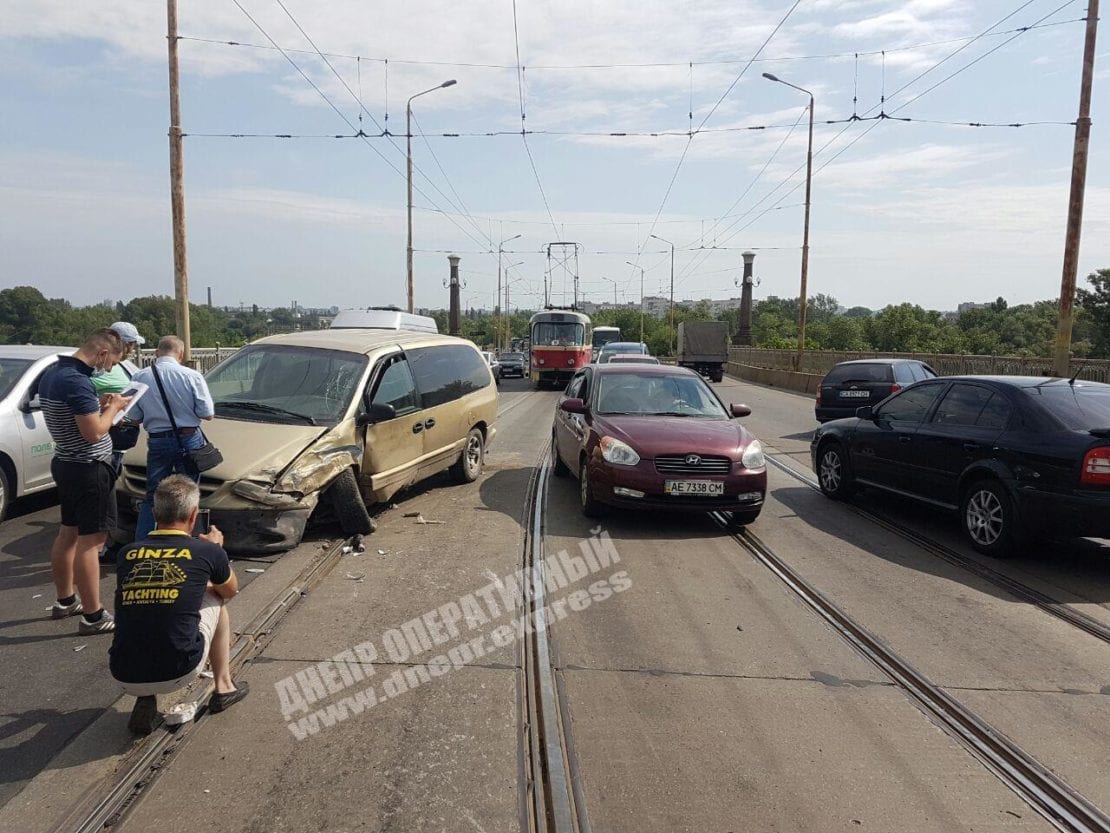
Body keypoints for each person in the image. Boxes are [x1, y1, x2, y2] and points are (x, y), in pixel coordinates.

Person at [110, 475, 248, 735]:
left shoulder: (126, 553)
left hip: (122, 672)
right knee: (217, 601)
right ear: (194, 516)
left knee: (146, 603)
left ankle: (145, 697)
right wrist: (219, 551)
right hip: (180, 669)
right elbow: (230, 590)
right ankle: (224, 687)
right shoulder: (206, 551)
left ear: (154, 513)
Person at [39, 328, 131, 634]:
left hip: (65, 462)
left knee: (68, 532)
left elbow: (77, 419)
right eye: (111, 363)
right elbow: (93, 433)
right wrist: (115, 408)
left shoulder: (54, 373)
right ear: (103, 353)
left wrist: (101, 406)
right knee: (92, 541)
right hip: (89, 468)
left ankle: (65, 600)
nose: (108, 369)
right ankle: (93, 615)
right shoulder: (77, 382)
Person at [128, 335, 215, 540]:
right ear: (181, 353)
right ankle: (187, 543)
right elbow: (207, 413)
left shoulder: (139, 377)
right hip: (188, 438)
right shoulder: (191, 376)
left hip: (157, 439)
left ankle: (144, 543)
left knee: (153, 495)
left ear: (157, 353)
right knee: (188, 494)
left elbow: (134, 417)